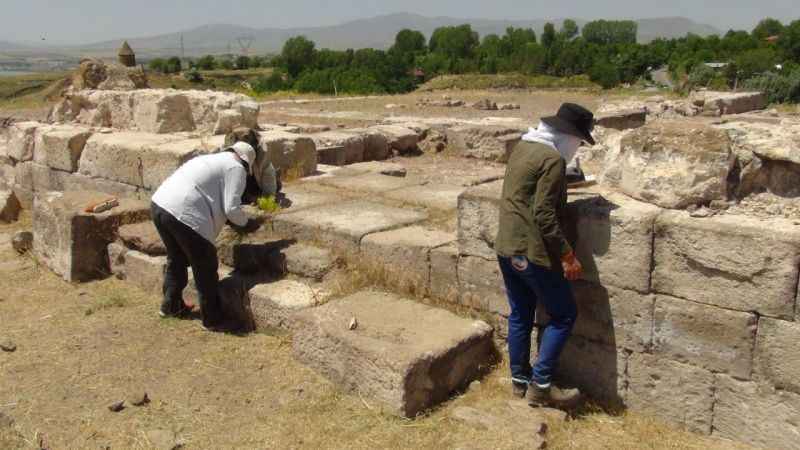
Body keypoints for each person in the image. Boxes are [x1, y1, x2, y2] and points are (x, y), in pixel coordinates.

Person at [494, 103, 595, 409]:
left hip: (507, 246)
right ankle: (540, 386)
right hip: (532, 251)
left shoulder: (525, 146)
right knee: (564, 315)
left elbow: (528, 189)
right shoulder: (552, 159)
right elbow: (544, 215)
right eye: (579, 142)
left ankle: (519, 380)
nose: (577, 148)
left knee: (520, 313)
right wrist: (567, 255)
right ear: (569, 136)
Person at [150, 142, 259, 332]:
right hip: (185, 213)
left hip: (160, 204)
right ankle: (213, 319)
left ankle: (171, 306)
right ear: (247, 162)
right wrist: (246, 223)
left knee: (177, 258)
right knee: (205, 266)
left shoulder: (211, 159)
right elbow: (231, 208)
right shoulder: (236, 168)